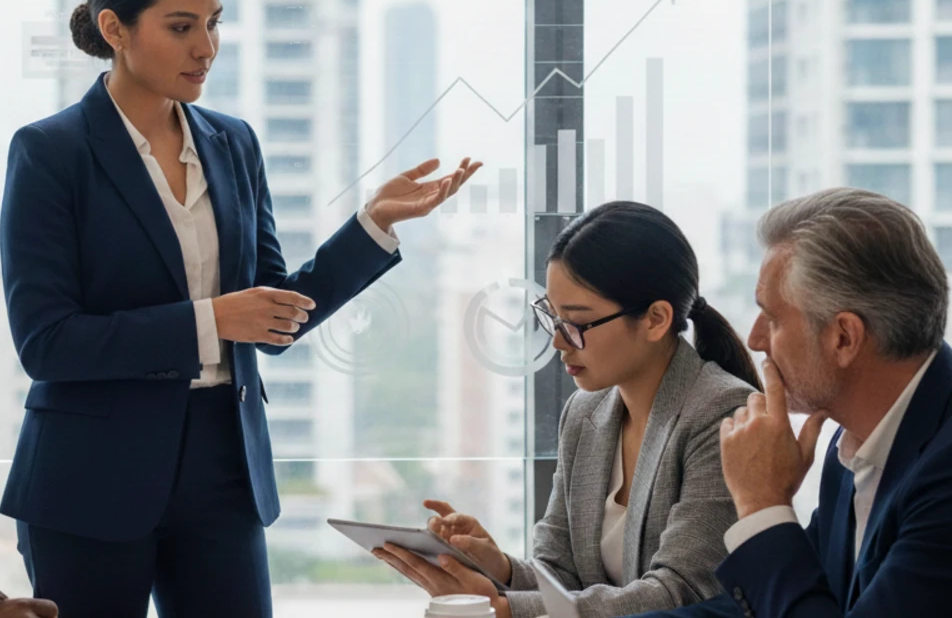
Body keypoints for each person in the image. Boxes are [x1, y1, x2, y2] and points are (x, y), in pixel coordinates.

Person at [0, 0, 479, 618]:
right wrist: (211, 321)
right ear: (115, 28)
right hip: (90, 478)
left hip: (224, 466)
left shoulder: (234, 143)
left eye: (215, 24)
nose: (207, 47)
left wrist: (374, 225)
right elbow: (46, 342)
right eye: (181, 26)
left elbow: (277, 315)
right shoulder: (50, 153)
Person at [372, 201, 760, 617]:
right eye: (552, 318)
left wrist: (503, 608)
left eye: (576, 323)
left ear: (656, 319)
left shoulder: (722, 414)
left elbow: (678, 594)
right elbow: (560, 579)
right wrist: (496, 567)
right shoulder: (585, 412)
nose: (558, 341)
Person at [633, 188, 952, 617]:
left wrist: (762, 502)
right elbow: (784, 603)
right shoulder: (853, 440)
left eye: (775, 319)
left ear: (843, 337)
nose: (755, 339)